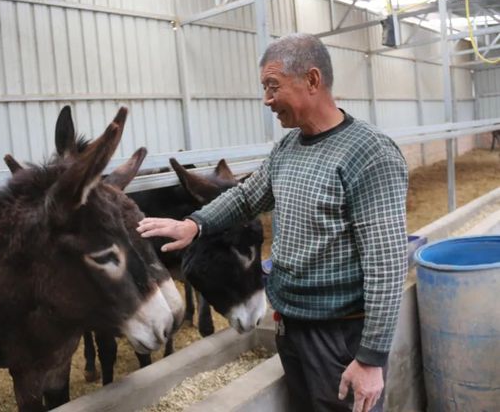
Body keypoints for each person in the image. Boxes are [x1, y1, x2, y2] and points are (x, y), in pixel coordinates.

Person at [137, 33, 408, 412]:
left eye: (272, 86)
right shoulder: (288, 147)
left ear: (312, 80)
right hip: (292, 326)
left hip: (340, 333)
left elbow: (386, 263)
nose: (266, 99)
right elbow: (247, 197)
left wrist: (371, 358)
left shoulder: (370, 153)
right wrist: (194, 225)